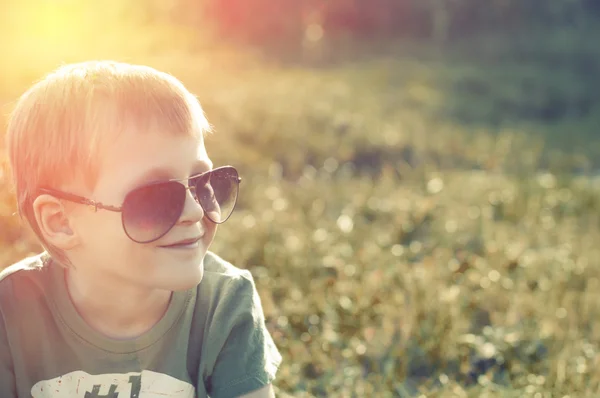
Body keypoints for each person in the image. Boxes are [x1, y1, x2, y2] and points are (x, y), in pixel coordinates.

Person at [0, 61, 282, 397]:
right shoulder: (11, 311)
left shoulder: (223, 304)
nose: (193, 210)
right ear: (60, 221)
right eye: (156, 197)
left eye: (201, 183)